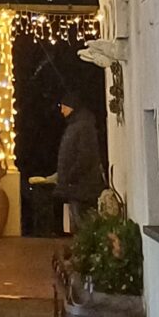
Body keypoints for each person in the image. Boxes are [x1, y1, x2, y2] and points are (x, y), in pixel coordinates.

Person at [54, 88, 106, 232]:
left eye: (63, 107)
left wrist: (70, 176)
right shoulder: (77, 125)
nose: (62, 110)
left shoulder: (82, 126)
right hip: (77, 186)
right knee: (79, 223)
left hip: (81, 187)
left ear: (71, 106)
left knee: (83, 224)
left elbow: (85, 156)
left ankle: (88, 249)